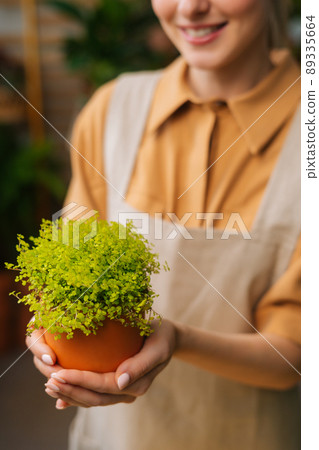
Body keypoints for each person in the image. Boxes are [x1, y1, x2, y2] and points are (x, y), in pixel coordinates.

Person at [27, 0, 301, 449]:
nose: (191, 8)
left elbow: (292, 354)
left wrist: (178, 339)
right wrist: (50, 333)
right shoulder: (111, 110)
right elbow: (67, 268)